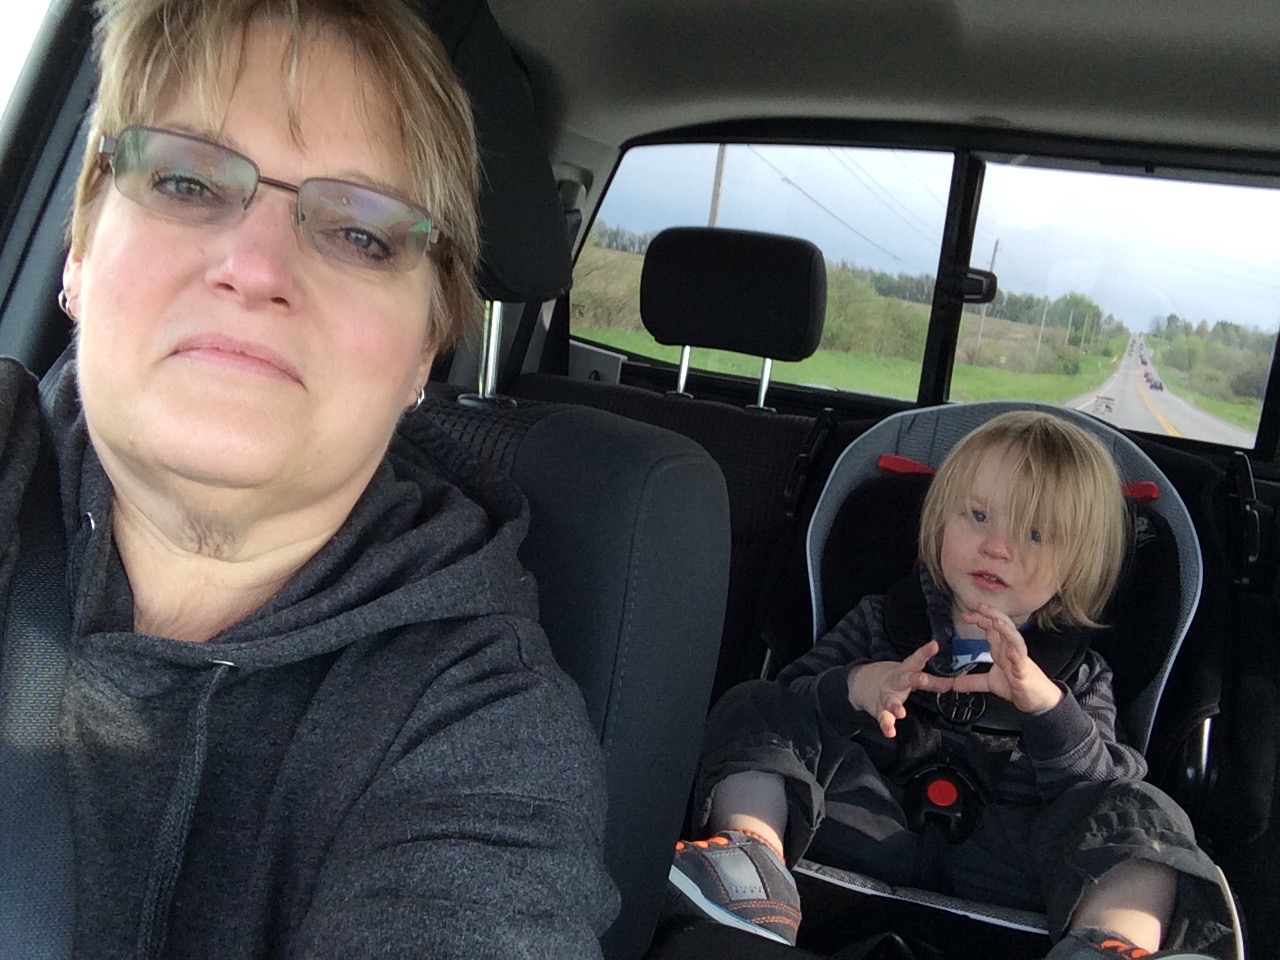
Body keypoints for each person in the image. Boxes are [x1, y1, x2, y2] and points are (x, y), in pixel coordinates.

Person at [0, 0, 618, 955]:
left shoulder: (480, 732)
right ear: (81, 249)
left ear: (425, 351)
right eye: (186, 179)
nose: (254, 266)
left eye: (362, 232)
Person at [669, 412, 1235, 959]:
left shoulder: (1080, 675)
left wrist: (1047, 708)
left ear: (1074, 567)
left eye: (1036, 533)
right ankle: (753, 863)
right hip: (862, 819)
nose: (997, 547)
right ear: (941, 520)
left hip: (1008, 859)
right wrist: (858, 686)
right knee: (755, 705)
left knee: (1141, 811)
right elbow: (793, 703)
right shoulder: (881, 621)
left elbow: (1097, 791)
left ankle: (1109, 941)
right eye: (979, 516)